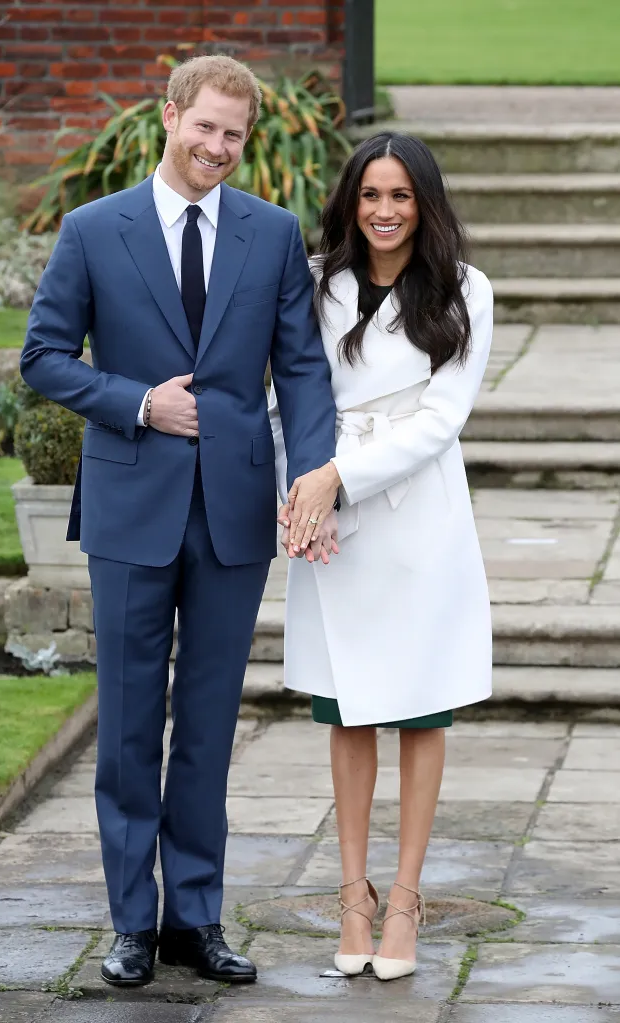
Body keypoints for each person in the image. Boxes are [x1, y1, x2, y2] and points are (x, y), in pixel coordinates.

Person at [20, 55, 339, 988]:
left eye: (234, 135)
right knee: (126, 724)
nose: (219, 148)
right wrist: (135, 402)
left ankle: (194, 916)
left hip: (235, 513)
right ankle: (129, 921)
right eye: (205, 127)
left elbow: (304, 369)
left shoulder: (273, 234)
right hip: (129, 505)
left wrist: (314, 473)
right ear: (169, 116)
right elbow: (43, 356)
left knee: (206, 724)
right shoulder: (93, 230)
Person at [270, 131, 493, 982]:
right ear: (350, 201)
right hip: (331, 519)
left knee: (421, 705)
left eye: (401, 195)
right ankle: (351, 895)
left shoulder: (467, 290)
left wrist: (336, 477)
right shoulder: (318, 282)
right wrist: (304, 495)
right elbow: (293, 391)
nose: (385, 211)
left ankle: (405, 899)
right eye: (371, 195)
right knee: (348, 704)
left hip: (418, 519)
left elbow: (441, 421)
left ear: (425, 201)